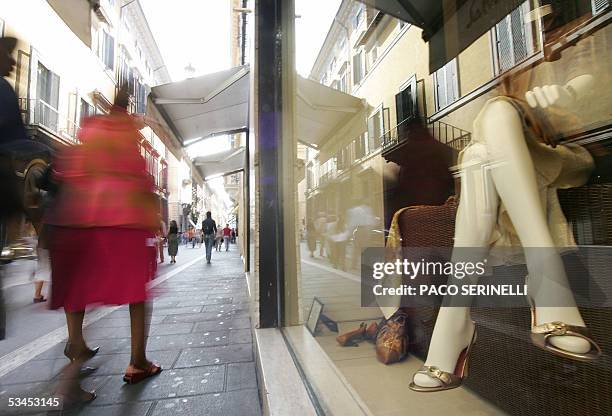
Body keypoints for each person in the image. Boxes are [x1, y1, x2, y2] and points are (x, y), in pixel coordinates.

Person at [45, 85, 161, 404]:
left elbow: (69, 172)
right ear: (129, 106)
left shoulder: (92, 129)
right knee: (136, 291)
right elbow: (138, 178)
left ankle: (76, 342)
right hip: (120, 221)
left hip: (77, 220)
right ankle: (137, 361)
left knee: (78, 289)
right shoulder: (126, 135)